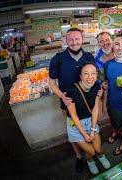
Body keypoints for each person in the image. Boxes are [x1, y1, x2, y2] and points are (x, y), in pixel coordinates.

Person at [49, 28, 95, 173]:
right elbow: (51, 83)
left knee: (90, 128)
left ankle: (91, 155)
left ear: (82, 39)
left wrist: (98, 90)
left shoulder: (88, 57)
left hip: (88, 103)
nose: (74, 42)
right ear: (66, 41)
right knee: (74, 131)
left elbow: (95, 76)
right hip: (68, 104)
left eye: (77, 39)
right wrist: (62, 96)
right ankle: (78, 156)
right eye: (71, 39)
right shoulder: (58, 58)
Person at [65, 63, 110, 175]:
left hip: (90, 121)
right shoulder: (71, 90)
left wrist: (93, 129)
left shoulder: (96, 86)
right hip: (76, 125)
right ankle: (90, 161)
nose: (90, 77)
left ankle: (101, 155)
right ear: (80, 76)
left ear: (96, 75)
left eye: (93, 74)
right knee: (90, 151)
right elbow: (73, 115)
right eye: (86, 74)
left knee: (98, 149)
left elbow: (95, 109)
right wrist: (84, 134)